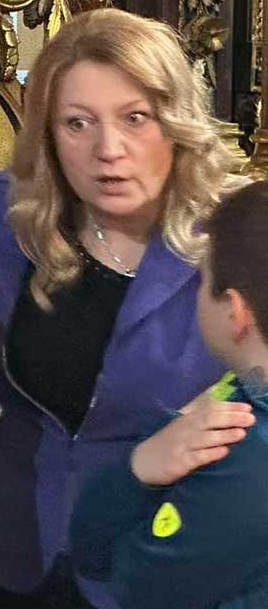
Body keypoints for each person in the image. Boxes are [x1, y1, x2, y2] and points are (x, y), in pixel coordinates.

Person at [0, 8, 241, 609]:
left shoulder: (239, 238)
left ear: (176, 122)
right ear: (49, 135)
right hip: (6, 554)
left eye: (135, 118)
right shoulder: (3, 215)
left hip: (168, 567)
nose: (109, 150)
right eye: (77, 123)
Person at [70, 180, 268, 608]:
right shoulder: (241, 395)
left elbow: (126, 581)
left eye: (202, 279)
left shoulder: (240, 457)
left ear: (235, 312)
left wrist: (138, 467)